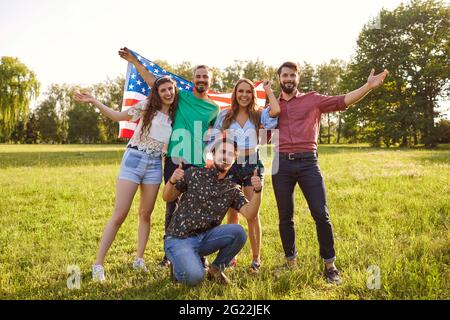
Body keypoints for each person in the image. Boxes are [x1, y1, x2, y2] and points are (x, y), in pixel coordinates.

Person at [272, 61, 389, 284]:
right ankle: (290, 263)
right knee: (285, 216)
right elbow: (256, 130)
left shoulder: (313, 99)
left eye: (292, 75)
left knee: (320, 213)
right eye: (285, 75)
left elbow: (343, 100)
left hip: (308, 163)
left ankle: (330, 265)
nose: (288, 79)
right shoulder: (271, 106)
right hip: (281, 165)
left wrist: (367, 87)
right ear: (279, 79)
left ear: (298, 78)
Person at [119, 48, 219, 266]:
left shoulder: (214, 108)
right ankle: (169, 254)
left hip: (198, 162)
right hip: (174, 159)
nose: (201, 80)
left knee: (195, 207)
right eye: (198, 76)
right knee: (171, 204)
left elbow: (214, 135)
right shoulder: (180, 96)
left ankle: (198, 252)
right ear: (193, 79)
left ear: (210, 81)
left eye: (205, 77)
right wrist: (134, 61)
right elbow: (152, 81)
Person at [73, 76, 178, 282]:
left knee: (146, 214)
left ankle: (139, 259)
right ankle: (98, 264)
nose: (168, 93)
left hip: (156, 164)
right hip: (134, 158)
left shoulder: (177, 114)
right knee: (120, 214)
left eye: (170, 89)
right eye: (163, 90)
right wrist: (94, 101)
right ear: (157, 93)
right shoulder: (148, 106)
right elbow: (118, 116)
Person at [162, 137, 263, 286]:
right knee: (195, 278)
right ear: (213, 154)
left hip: (203, 239)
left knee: (239, 232)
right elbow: (167, 196)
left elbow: (250, 213)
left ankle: (215, 270)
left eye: (231, 154)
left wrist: (258, 191)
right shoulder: (194, 174)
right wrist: (172, 181)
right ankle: (177, 265)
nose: (225, 156)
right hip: (178, 238)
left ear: (234, 160)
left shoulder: (232, 189)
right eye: (222, 151)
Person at [209, 79, 280, 272]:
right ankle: (231, 258)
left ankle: (256, 259)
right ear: (235, 93)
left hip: (252, 165)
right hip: (230, 165)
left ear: (253, 94)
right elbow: (213, 138)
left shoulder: (258, 114)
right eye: (240, 91)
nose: (244, 95)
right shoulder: (225, 114)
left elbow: (276, 111)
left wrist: (268, 90)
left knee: (252, 213)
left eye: (248, 92)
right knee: (232, 213)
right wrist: (212, 157)